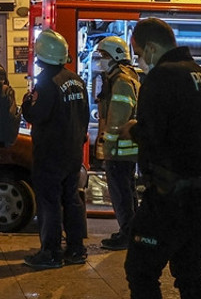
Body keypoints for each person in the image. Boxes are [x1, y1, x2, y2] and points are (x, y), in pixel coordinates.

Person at [121, 18, 201, 299]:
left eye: (140, 54)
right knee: (191, 275)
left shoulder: (160, 78)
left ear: (152, 48)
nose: (140, 61)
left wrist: (133, 130)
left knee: (140, 271)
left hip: (169, 197)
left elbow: (154, 135)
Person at [20, 29, 90, 269]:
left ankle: (50, 252)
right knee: (72, 199)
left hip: (50, 155)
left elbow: (35, 114)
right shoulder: (77, 81)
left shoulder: (46, 84)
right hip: (72, 153)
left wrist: (26, 102)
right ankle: (76, 248)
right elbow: (82, 116)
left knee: (49, 203)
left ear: (40, 56)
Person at [95, 35, 140, 251]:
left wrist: (108, 147)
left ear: (115, 56)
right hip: (126, 150)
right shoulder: (121, 77)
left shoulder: (121, 81)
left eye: (103, 56)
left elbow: (117, 119)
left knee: (121, 194)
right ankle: (130, 231)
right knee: (127, 191)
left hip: (120, 150)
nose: (100, 60)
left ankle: (127, 234)